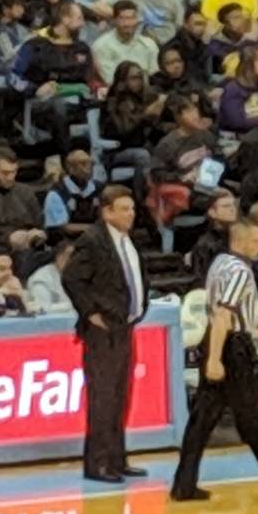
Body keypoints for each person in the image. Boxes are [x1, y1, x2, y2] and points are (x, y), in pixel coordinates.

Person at [170, 217, 258, 504]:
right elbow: (223, 315)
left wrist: (253, 325)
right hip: (230, 347)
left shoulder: (219, 263)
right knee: (250, 414)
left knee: (203, 418)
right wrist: (215, 360)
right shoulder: (240, 271)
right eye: (257, 241)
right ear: (243, 241)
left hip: (221, 339)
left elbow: (226, 314)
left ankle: (184, 484)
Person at [62, 183, 149, 482]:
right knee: (103, 397)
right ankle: (97, 463)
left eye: (133, 208)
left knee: (120, 395)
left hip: (124, 326)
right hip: (103, 330)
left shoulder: (125, 240)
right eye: (124, 209)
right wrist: (91, 314)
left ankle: (117, 458)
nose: (131, 214)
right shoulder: (93, 240)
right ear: (107, 211)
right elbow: (72, 278)